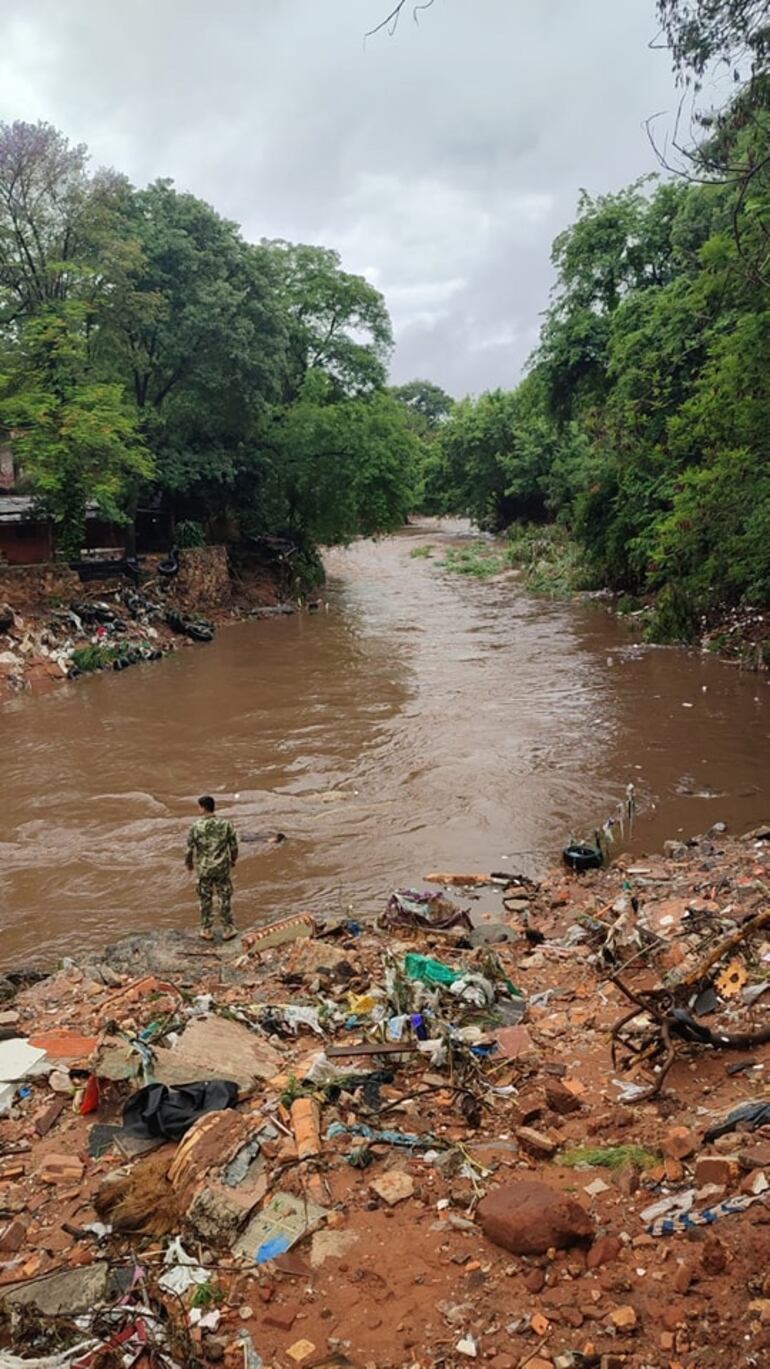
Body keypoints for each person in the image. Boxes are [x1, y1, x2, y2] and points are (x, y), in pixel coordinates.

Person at [185, 795, 239, 941]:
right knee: (224, 896)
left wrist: (189, 865)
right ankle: (228, 928)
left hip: (204, 869)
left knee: (205, 898)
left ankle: (206, 929)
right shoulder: (226, 824)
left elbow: (189, 849)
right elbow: (233, 846)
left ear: (202, 808)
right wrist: (233, 860)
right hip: (222, 867)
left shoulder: (195, 827)